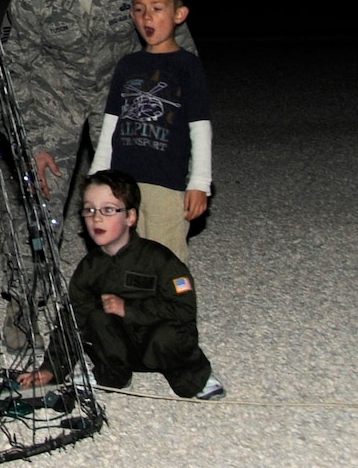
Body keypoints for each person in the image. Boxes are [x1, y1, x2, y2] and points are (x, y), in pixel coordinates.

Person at [4, 0, 195, 216]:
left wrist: (181, 112)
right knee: (41, 203)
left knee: (137, 198)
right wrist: (30, 144)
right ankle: (39, 266)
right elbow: (10, 70)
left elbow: (174, 40)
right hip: (55, 99)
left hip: (120, 96)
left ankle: (138, 263)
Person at [29, 170, 224, 400]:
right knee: (95, 318)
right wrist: (51, 369)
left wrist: (128, 309)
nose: (96, 218)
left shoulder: (160, 260)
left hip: (158, 343)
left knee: (169, 336)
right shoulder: (89, 269)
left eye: (108, 210)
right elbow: (72, 320)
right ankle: (111, 375)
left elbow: (184, 310)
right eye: (90, 210)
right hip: (119, 348)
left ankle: (195, 376)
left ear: (130, 217)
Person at [89, 0, 211, 261]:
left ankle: (172, 305)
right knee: (120, 255)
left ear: (179, 14)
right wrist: (97, 177)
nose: (147, 18)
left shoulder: (187, 66)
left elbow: (200, 128)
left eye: (157, 9)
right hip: (122, 184)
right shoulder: (127, 66)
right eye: (139, 9)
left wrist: (199, 183)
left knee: (164, 258)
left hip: (166, 184)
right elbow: (111, 125)